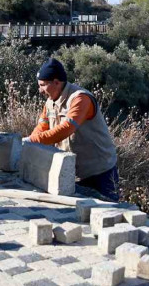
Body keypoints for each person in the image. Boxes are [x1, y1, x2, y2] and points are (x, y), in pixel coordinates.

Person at [25, 59, 120, 201]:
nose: (40, 90)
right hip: (73, 172)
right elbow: (42, 127)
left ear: (56, 82)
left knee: (108, 213)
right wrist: (30, 144)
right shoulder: (50, 102)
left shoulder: (80, 98)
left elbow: (66, 129)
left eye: (43, 85)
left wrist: (31, 141)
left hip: (99, 172)